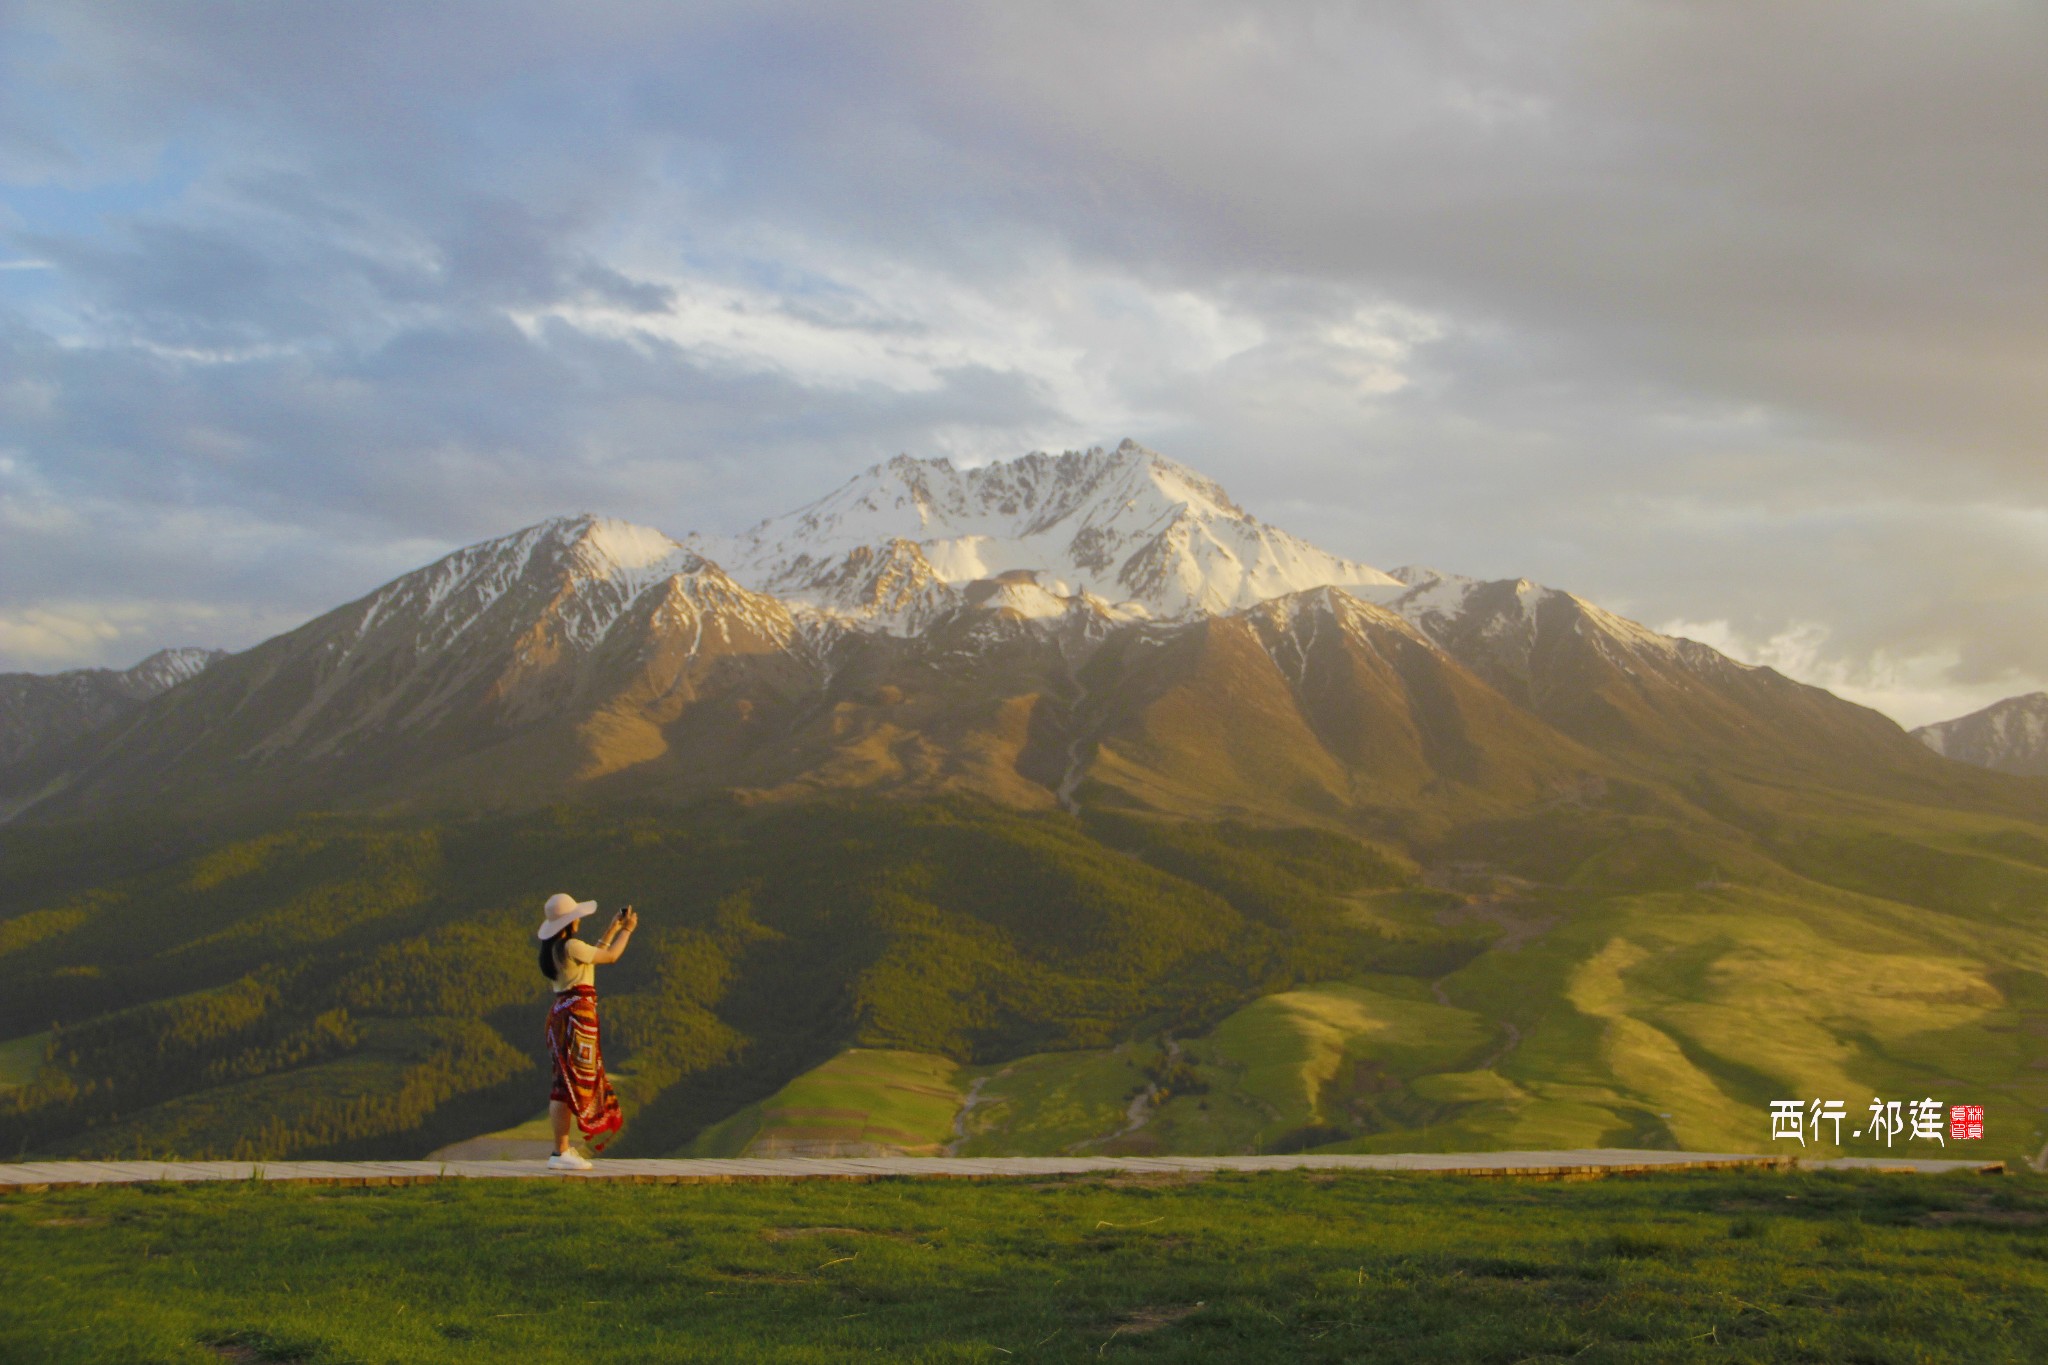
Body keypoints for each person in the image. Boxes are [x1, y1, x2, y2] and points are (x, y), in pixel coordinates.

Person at [536, 893, 637, 1170]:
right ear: (570, 922)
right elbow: (611, 956)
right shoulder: (571, 946)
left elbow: (594, 956)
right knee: (571, 1083)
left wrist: (613, 927)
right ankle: (562, 1150)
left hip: (560, 1013)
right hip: (577, 1017)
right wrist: (627, 931)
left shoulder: (555, 949)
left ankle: (560, 1150)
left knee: (561, 1083)